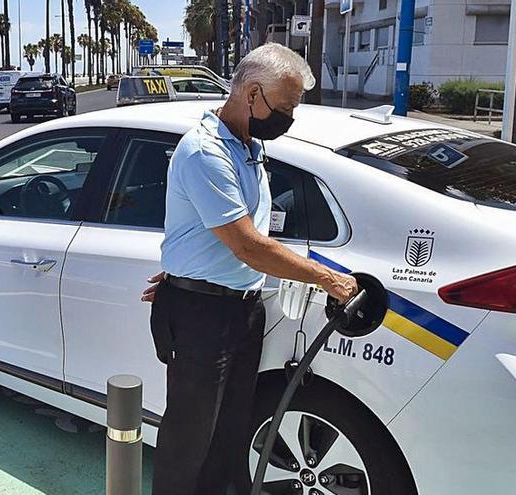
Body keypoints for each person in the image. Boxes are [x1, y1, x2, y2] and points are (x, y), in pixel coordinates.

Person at [141, 43, 358, 495]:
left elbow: (237, 228)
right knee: (190, 436)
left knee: (229, 433)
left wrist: (189, 264)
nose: (290, 118)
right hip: (201, 314)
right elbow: (246, 243)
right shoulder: (205, 151)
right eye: (285, 107)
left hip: (239, 309)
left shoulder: (248, 145)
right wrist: (326, 277)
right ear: (252, 94)